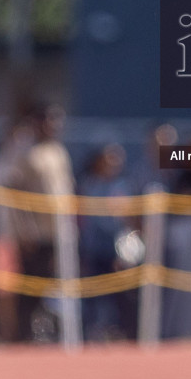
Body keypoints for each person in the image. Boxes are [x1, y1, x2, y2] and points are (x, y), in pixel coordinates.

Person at [0, 100, 74, 342]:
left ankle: (41, 334)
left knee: (50, 287)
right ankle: (21, 338)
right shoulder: (26, 154)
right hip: (34, 235)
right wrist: (24, 231)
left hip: (56, 232)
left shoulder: (58, 152)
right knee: (28, 290)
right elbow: (14, 192)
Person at [77, 144, 135, 341]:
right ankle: (92, 331)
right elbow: (85, 222)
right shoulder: (89, 185)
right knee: (92, 292)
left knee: (120, 294)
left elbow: (126, 221)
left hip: (116, 250)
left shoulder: (122, 186)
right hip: (93, 249)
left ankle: (117, 330)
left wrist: (124, 251)